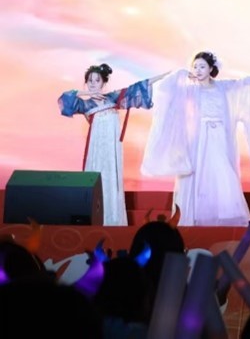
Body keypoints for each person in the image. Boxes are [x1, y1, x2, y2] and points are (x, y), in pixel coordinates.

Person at [141, 51, 250, 226]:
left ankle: (222, 215)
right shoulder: (190, 89)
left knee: (222, 172)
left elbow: (246, 83)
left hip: (219, 137)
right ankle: (195, 216)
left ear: (211, 69)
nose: (198, 70)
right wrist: (180, 74)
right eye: (195, 66)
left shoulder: (223, 87)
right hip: (197, 138)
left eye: (202, 66)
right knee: (195, 174)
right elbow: (165, 89)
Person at [58, 63, 169, 226]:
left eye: (97, 80)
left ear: (104, 82)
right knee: (96, 178)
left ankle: (113, 218)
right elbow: (65, 99)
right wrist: (86, 93)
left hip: (112, 150)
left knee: (111, 178)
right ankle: (95, 218)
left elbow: (136, 87)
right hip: (96, 150)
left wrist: (163, 76)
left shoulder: (112, 98)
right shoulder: (85, 104)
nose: (93, 83)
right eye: (90, 81)